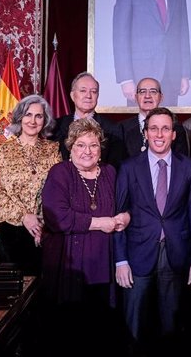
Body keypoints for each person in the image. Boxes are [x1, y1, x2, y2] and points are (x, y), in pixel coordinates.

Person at [114, 107, 191, 348]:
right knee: (133, 326)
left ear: (174, 134)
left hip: (176, 255)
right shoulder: (129, 167)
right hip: (137, 257)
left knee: (172, 328)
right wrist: (120, 261)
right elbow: (119, 216)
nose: (159, 134)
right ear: (146, 133)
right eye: (153, 128)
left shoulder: (188, 167)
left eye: (166, 128)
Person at [39, 118, 130, 353]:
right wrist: (100, 223)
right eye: (81, 145)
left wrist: (125, 216)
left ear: (101, 150)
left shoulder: (110, 172)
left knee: (102, 332)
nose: (87, 151)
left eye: (93, 145)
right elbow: (57, 217)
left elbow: (125, 204)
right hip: (70, 265)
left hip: (104, 263)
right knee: (72, 333)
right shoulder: (60, 172)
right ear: (70, 148)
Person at [112, 0, 191, 106]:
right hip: (140, 77)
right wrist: (126, 78)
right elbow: (120, 37)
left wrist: (184, 74)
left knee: (167, 125)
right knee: (141, 127)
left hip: (171, 75)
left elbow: (183, 36)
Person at [0, 95, 60, 275]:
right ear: (20, 117)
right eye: (28, 115)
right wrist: (24, 216)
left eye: (39, 116)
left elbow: (57, 190)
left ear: (45, 120)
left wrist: (41, 223)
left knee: (43, 291)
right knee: (15, 295)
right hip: (13, 230)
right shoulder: (2, 150)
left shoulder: (53, 149)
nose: (33, 121)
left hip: (45, 230)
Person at [52, 72, 126, 167]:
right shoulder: (57, 126)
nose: (88, 96)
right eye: (83, 91)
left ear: (98, 96)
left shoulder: (112, 129)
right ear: (72, 95)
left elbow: (115, 166)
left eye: (93, 91)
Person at [120, 77, 188, 158]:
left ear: (161, 97)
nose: (147, 96)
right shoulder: (122, 128)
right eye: (142, 91)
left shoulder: (176, 128)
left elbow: (182, 163)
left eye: (153, 91)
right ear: (136, 97)